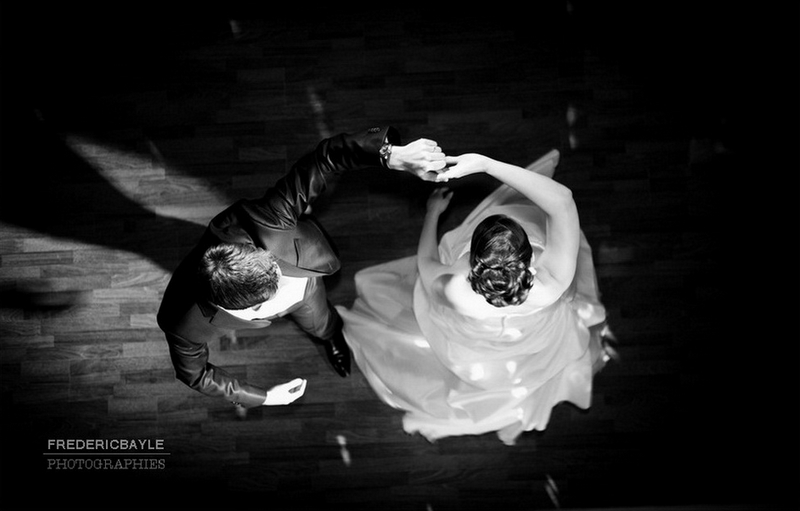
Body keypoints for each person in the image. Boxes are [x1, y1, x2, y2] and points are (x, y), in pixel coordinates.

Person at [337, 149, 615, 445]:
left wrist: (432, 213)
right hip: (535, 335)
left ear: (474, 258)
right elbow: (562, 201)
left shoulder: (455, 290)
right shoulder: (553, 282)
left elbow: (426, 261)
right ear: (527, 255)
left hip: (476, 330)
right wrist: (486, 163)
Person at [157, 126, 446, 409]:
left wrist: (388, 154)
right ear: (248, 309)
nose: (281, 280)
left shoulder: (264, 222)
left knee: (320, 321)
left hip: (306, 286)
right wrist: (265, 397)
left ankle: (330, 335)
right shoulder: (182, 323)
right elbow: (194, 375)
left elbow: (326, 158)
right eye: (273, 288)